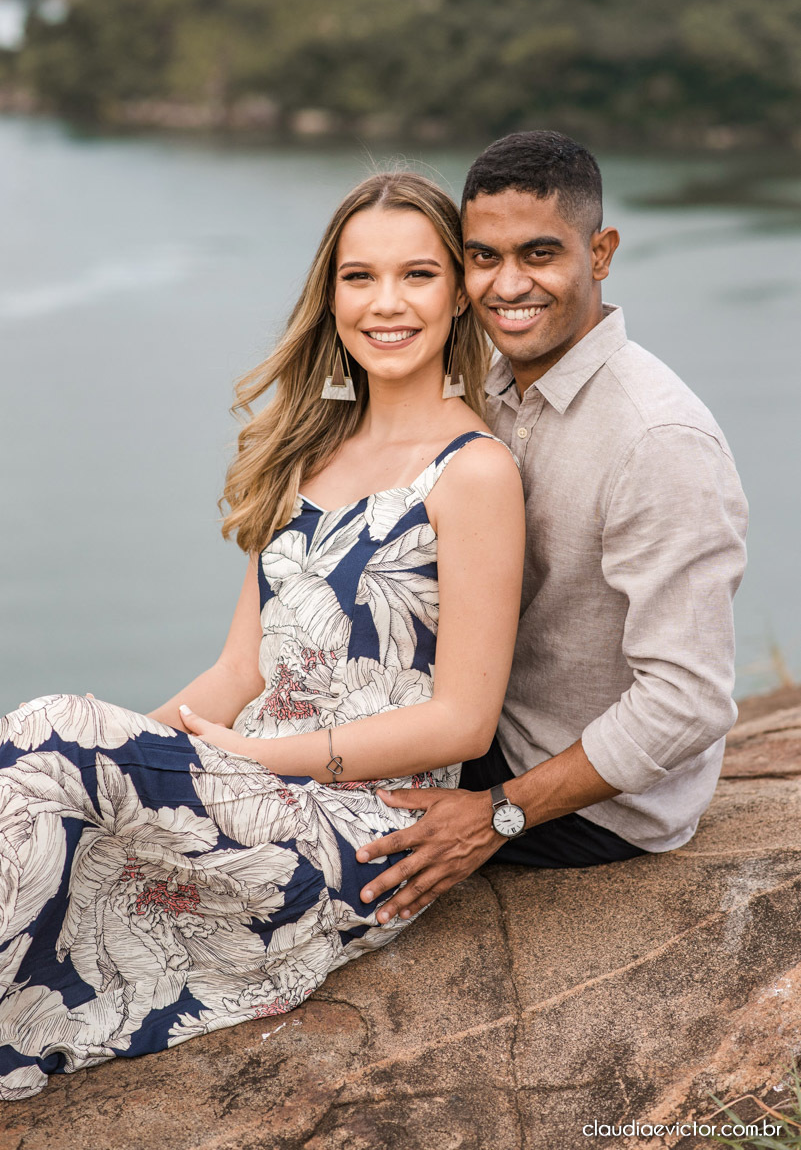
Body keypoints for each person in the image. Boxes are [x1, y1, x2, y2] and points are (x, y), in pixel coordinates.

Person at [0, 172, 525, 1100]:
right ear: (332, 295)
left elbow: (463, 721)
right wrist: (120, 758)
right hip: (247, 783)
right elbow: (240, 669)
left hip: (360, 831)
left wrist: (259, 758)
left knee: (51, 726)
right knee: (49, 760)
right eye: (360, 277)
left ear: (457, 296)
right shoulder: (305, 455)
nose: (387, 303)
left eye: (416, 275)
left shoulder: (474, 472)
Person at [355, 131, 749, 925]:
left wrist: (497, 814)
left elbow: (687, 701)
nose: (508, 285)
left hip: (585, 803)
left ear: (599, 254)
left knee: (284, 838)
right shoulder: (486, 385)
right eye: (483, 257)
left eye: (539, 254)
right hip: (479, 732)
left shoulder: (657, 440)